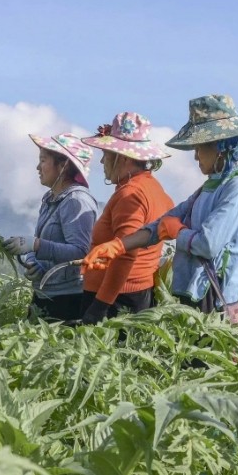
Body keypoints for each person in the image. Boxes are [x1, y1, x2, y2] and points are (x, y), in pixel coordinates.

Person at [83, 94, 238, 324]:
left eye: (199, 148)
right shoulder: (210, 186)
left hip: (217, 298)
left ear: (220, 146)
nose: (196, 156)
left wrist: (178, 231)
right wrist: (118, 246)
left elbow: (208, 244)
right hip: (197, 292)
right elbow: (162, 224)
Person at [77, 112, 174, 324]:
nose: (102, 161)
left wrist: (100, 306)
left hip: (116, 300)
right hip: (137, 294)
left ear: (123, 157)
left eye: (106, 154)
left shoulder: (130, 194)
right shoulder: (153, 188)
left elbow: (125, 253)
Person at [3, 133, 98, 322]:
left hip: (68, 299)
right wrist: (33, 261)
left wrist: (37, 245)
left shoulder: (76, 201)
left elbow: (81, 252)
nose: (38, 167)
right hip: (45, 293)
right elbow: (41, 241)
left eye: (43, 160)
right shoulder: (50, 198)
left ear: (63, 166)